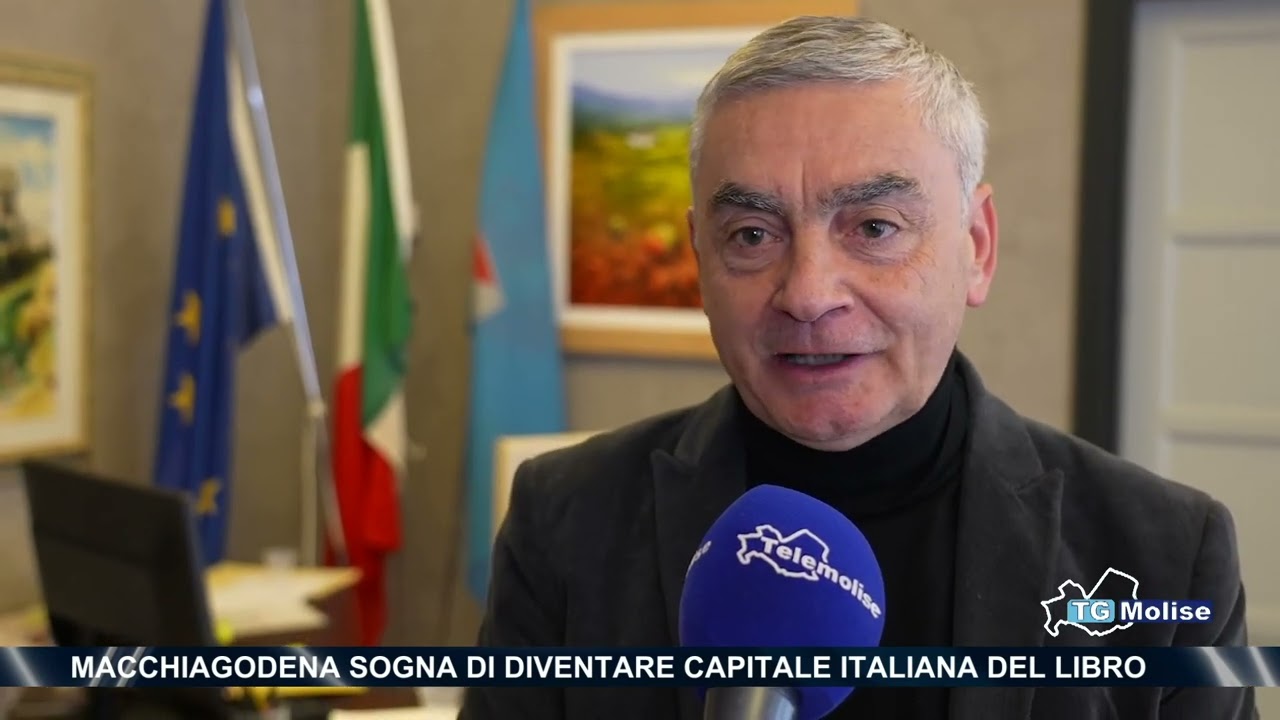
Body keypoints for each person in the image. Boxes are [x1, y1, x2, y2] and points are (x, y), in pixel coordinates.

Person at [459, 15, 1255, 720]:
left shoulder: (1165, 555)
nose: (808, 294)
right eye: (751, 235)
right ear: (700, 258)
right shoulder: (565, 519)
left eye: (873, 227)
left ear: (977, 248)